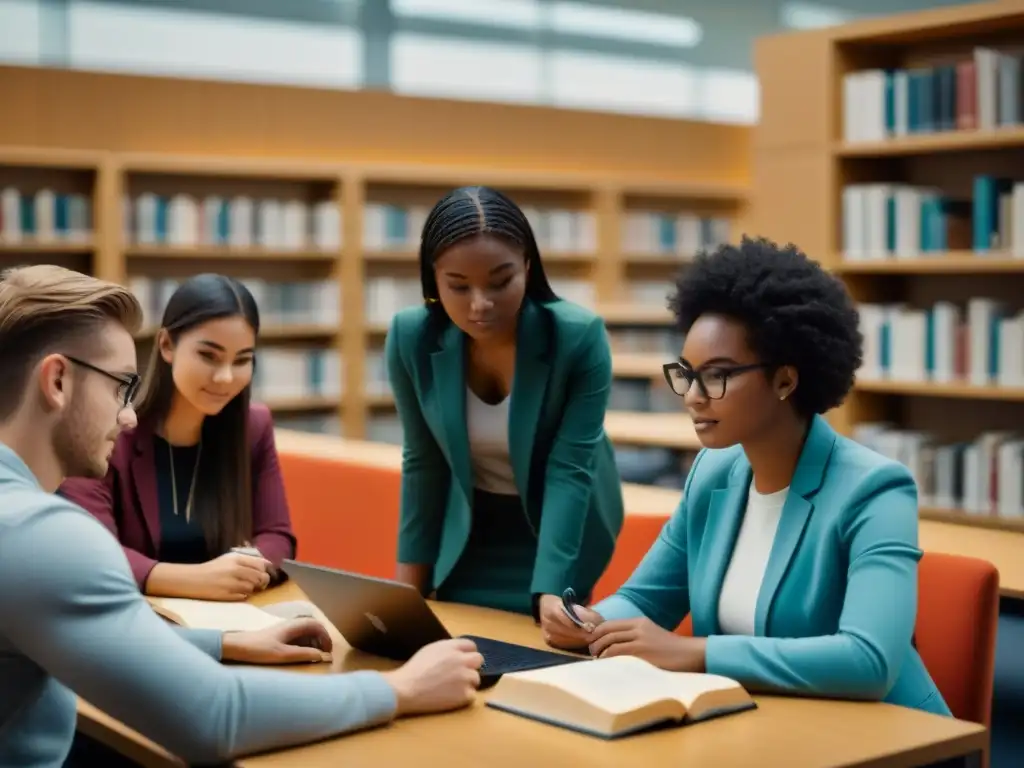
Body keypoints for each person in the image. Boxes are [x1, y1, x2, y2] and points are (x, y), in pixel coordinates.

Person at [0, 264, 484, 767]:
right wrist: (401, 689)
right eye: (122, 386)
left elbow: (77, 621)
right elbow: (215, 716)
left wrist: (227, 642)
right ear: (56, 380)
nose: (128, 415)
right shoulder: (41, 535)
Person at [542, 237, 952, 716]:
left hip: (893, 737)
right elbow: (646, 599)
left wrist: (697, 653)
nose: (693, 396)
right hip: (767, 723)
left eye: (716, 375)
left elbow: (868, 661)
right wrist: (591, 622)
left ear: (785, 380)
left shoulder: (875, 489)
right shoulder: (714, 473)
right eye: (686, 374)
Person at [386, 185, 625, 622]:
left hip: (559, 529)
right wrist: (405, 594)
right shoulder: (410, 337)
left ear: (528, 268)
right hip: (469, 527)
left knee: (541, 642)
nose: (480, 305)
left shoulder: (578, 337)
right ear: (433, 279)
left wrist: (552, 591)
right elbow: (423, 463)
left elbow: (569, 469)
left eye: (501, 282)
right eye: (458, 286)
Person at [60, 274, 294, 602]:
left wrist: (250, 566)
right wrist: (192, 579)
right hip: (133, 617)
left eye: (242, 360)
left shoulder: (253, 427)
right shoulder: (107, 429)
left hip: (231, 614)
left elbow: (277, 534)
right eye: (209, 356)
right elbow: (91, 552)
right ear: (167, 345)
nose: (226, 377)